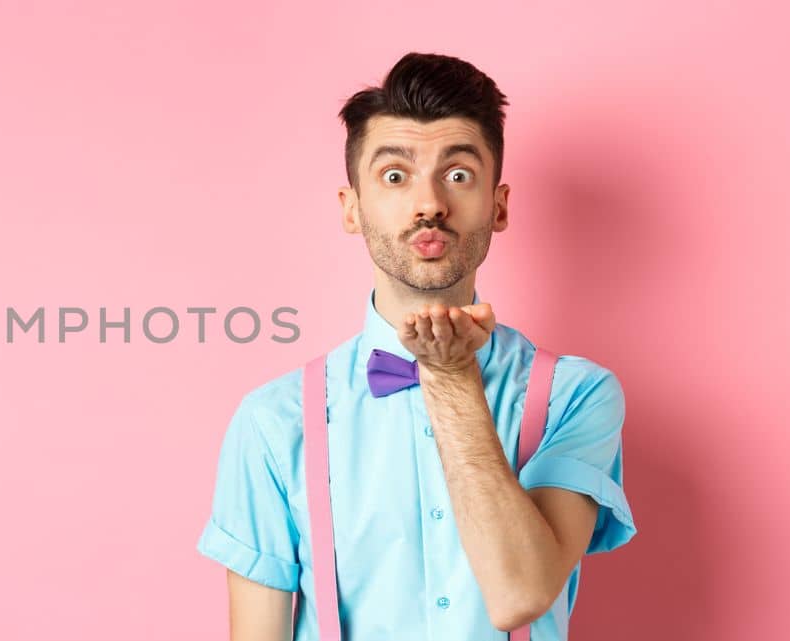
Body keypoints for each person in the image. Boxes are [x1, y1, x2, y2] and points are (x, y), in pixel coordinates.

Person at [196, 52, 637, 640]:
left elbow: (520, 595)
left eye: (458, 174)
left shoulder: (576, 396)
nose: (429, 204)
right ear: (352, 209)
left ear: (499, 205)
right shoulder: (274, 422)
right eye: (395, 176)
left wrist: (451, 376)